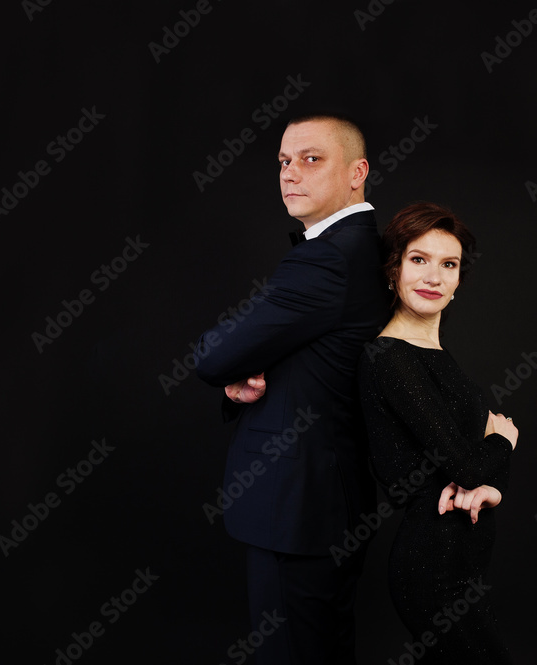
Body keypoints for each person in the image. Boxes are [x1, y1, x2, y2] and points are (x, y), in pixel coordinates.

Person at [194, 113, 390, 664]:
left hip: (297, 506)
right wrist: (239, 381)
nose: (289, 173)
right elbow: (312, 360)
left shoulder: (329, 257)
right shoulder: (362, 248)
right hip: (328, 499)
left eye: (310, 159)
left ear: (358, 173)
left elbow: (214, 356)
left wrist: (228, 365)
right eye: (283, 161)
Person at [356, 202, 518, 664]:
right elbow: (468, 462)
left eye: (449, 265)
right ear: (393, 270)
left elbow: (475, 471)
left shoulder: (438, 357)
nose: (434, 276)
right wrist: (505, 441)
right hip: (432, 568)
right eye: (418, 259)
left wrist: (490, 489)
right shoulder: (390, 358)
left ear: (459, 282)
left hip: (464, 563)